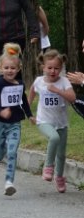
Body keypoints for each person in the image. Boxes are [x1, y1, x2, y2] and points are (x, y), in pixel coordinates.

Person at [0, 44, 32, 196]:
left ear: (18, 69)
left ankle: (9, 182)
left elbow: (23, 101)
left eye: (13, 68)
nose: (10, 71)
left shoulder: (20, 84)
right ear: (0, 68)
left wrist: (30, 115)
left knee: (12, 152)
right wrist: (0, 111)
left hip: (14, 124)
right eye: (6, 68)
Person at [28, 49, 76, 193]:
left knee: (61, 154)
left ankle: (59, 177)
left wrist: (58, 91)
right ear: (43, 67)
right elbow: (31, 93)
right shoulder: (38, 81)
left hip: (61, 122)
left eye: (56, 68)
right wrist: (28, 112)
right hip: (43, 121)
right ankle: (48, 166)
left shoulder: (64, 82)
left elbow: (72, 98)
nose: (53, 71)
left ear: (61, 69)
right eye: (49, 68)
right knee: (53, 137)